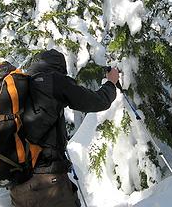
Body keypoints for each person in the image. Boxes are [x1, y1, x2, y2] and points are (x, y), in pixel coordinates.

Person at [9, 49, 119, 207]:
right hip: (48, 184)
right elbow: (98, 101)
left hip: (17, 185)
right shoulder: (54, 81)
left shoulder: (21, 87)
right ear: (60, 68)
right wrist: (111, 83)